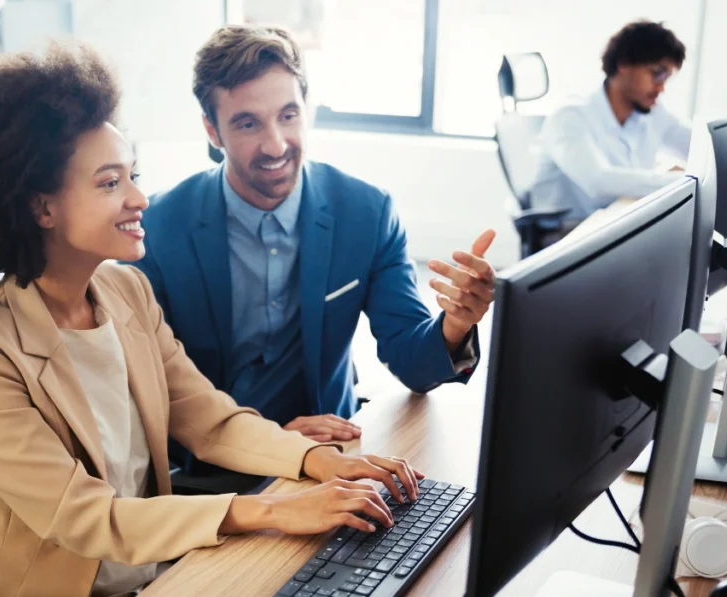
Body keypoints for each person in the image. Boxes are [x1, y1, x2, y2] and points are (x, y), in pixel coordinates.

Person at [0, 42, 424, 597]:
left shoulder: (124, 292)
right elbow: (84, 517)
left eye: (134, 174)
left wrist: (319, 462)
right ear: (42, 207)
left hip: (154, 567)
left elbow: (209, 421)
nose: (140, 198)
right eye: (111, 183)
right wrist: (273, 509)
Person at [130, 25, 495, 477]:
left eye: (288, 115)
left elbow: (411, 363)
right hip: (213, 470)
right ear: (213, 130)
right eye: (248, 123)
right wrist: (271, 441)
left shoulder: (366, 212)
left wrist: (456, 324)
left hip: (334, 453)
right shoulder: (157, 230)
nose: (276, 145)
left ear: (308, 110)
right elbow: (147, 393)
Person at [529, 20, 690, 237]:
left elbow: (698, 146)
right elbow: (599, 182)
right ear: (624, 65)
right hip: (571, 233)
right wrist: (686, 181)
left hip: (617, 222)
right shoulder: (571, 117)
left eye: (667, 78)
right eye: (657, 74)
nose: (661, 87)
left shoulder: (652, 113)